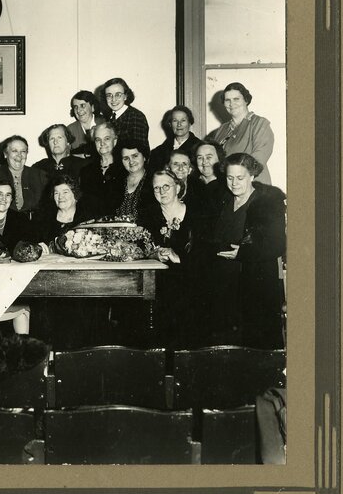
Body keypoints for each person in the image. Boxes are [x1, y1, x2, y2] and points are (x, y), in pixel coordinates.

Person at [200, 152, 286, 349]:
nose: (234, 183)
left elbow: (278, 244)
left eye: (240, 178)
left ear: (252, 176)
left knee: (255, 344)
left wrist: (244, 253)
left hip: (254, 283)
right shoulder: (222, 199)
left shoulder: (268, 203)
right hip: (224, 282)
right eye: (230, 177)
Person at [144, 168, 199, 347]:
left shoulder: (196, 214)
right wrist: (155, 253)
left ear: (177, 186)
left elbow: (204, 254)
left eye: (166, 186)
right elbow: (141, 248)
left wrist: (179, 257)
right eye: (156, 188)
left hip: (190, 282)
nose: (161, 192)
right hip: (159, 284)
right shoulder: (148, 216)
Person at [207, 81, 275, 185]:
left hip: (254, 185)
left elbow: (259, 158)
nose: (231, 104)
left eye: (236, 99)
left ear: (246, 100)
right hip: (229, 186)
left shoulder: (259, 124)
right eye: (227, 100)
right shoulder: (222, 129)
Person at [0, 135, 49, 217]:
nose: (19, 155)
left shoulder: (40, 176)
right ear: (5, 154)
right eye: (14, 151)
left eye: (23, 151)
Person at [78, 121, 127, 219]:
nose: (102, 143)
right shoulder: (86, 171)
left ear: (115, 141)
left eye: (107, 139)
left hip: (119, 224)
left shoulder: (125, 168)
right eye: (97, 140)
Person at [34, 175, 94, 243]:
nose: (60, 197)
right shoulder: (43, 219)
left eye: (65, 192)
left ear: (76, 196)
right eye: (56, 193)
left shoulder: (87, 220)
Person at [100, 77, 149, 152]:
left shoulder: (136, 116)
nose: (113, 99)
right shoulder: (108, 117)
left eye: (118, 95)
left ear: (125, 96)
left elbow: (138, 152)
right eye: (109, 95)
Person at [149, 105, 202, 172]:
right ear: (170, 124)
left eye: (183, 120)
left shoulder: (199, 148)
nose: (179, 124)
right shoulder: (158, 152)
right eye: (175, 121)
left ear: (189, 123)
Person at [114, 139, 156, 221]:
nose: (131, 161)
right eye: (126, 158)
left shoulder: (154, 181)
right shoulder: (116, 183)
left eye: (135, 156)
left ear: (144, 157)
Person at [66, 90, 104, 155]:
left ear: (92, 107)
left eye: (82, 106)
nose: (78, 110)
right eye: (75, 107)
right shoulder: (70, 129)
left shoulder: (105, 123)